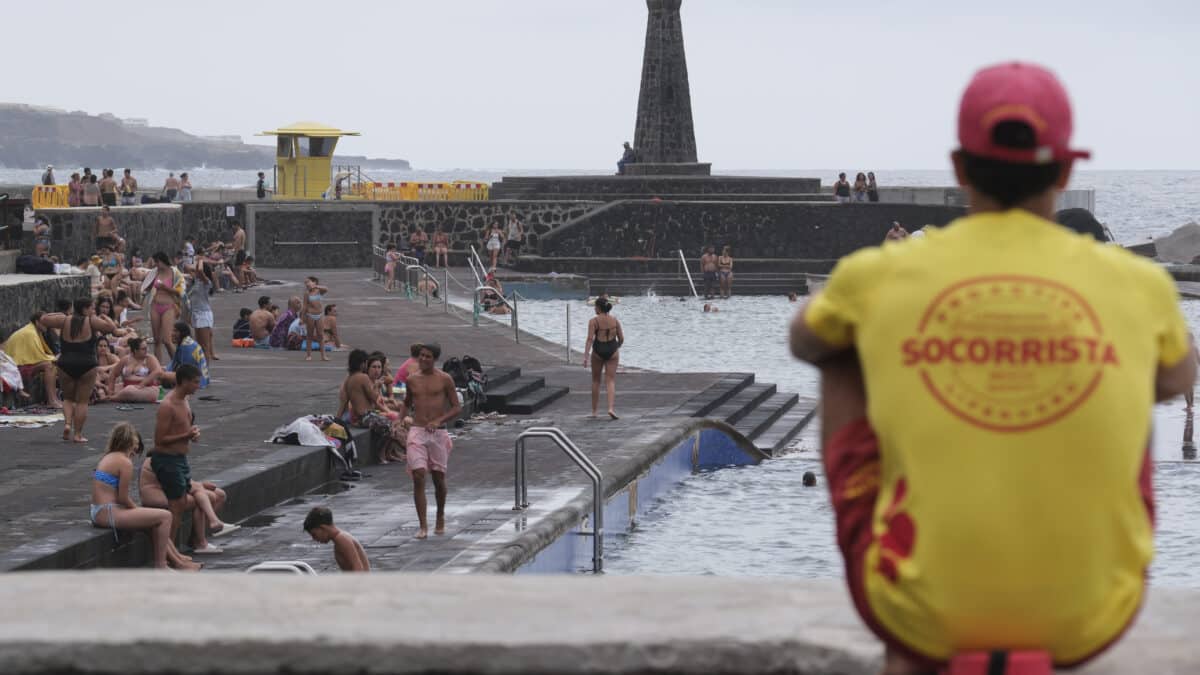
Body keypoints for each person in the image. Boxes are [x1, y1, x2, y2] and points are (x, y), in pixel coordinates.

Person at [788, 61, 1197, 672]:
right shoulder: (1135, 283)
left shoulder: (882, 273)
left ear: (958, 169)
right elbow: (1178, 377)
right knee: (1141, 367)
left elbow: (803, 338)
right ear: (1063, 170)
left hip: (912, 611)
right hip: (1095, 612)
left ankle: (920, 598)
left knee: (841, 348)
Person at [90, 422, 176, 569]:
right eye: (136, 442)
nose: (137, 448)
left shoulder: (109, 456)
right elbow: (123, 498)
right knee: (165, 516)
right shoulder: (124, 462)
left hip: (100, 511)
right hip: (107, 513)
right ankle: (161, 565)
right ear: (128, 441)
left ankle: (178, 560)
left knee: (152, 523)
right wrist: (136, 508)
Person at [399, 343, 461, 539]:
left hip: (438, 433)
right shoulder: (412, 379)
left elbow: (456, 407)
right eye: (422, 356)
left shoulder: (445, 379)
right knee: (418, 475)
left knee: (438, 478)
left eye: (428, 357)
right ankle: (423, 525)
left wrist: (438, 420)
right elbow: (408, 402)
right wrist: (399, 419)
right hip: (417, 430)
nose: (424, 359)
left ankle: (440, 516)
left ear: (435, 359)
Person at [42, 298, 118, 443]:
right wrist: (103, 316)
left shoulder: (64, 320)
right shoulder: (91, 321)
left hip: (66, 363)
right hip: (87, 364)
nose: (93, 311)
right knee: (82, 402)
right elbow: (111, 328)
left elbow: (44, 319)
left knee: (68, 398)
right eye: (91, 308)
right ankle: (77, 434)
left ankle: (67, 424)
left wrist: (61, 314)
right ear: (84, 309)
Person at [151, 363, 204, 561]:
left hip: (180, 459)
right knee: (175, 506)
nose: (198, 386)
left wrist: (192, 434)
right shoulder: (168, 405)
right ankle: (166, 555)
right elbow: (159, 440)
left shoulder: (185, 400)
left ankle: (171, 550)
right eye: (196, 382)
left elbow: (182, 430)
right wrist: (186, 435)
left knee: (180, 504)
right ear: (184, 382)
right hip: (167, 459)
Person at [2, 313, 62, 408]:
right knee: (49, 365)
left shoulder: (34, 330)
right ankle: (52, 400)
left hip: (18, 365)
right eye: (45, 322)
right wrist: (56, 358)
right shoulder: (30, 333)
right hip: (14, 368)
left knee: (52, 364)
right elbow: (38, 356)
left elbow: (39, 355)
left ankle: (54, 399)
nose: (48, 325)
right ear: (37, 322)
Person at [582, 298, 623, 420]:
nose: (594, 309)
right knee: (610, 381)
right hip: (612, 350)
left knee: (596, 381)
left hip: (598, 351)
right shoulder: (615, 320)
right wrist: (616, 347)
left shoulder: (593, 321)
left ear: (599, 308)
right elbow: (621, 338)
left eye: (595, 307)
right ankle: (610, 408)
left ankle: (594, 411)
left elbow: (590, 339)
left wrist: (585, 356)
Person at [303, 507, 370, 572]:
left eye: (314, 534)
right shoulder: (341, 537)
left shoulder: (341, 539)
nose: (314, 538)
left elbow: (358, 570)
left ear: (323, 528)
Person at [145, 252, 184, 363]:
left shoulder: (175, 272)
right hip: (155, 305)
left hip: (168, 306)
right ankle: (158, 367)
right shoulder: (154, 273)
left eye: (157, 262)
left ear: (163, 261)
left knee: (167, 340)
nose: (156, 264)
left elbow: (180, 292)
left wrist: (164, 287)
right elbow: (147, 287)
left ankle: (177, 364)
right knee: (157, 340)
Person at [107, 337, 164, 403]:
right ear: (135, 350)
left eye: (146, 348)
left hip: (147, 388)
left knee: (129, 391)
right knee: (102, 391)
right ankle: (113, 396)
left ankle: (114, 398)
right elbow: (113, 374)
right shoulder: (126, 359)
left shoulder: (150, 358)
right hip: (126, 386)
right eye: (143, 349)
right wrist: (110, 390)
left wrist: (142, 384)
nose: (147, 350)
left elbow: (158, 372)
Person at [161, 322, 210, 389]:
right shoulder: (185, 342)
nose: (172, 333)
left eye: (175, 331)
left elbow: (186, 369)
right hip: (197, 378)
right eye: (173, 330)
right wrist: (164, 369)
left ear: (182, 332)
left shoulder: (187, 347)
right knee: (159, 372)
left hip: (196, 381)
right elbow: (175, 362)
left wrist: (165, 373)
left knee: (160, 376)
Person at [188, 259, 218, 360]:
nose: (195, 270)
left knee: (204, 346)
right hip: (195, 314)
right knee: (199, 345)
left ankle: (205, 371)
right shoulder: (196, 281)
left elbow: (200, 270)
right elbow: (187, 267)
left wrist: (200, 259)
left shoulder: (206, 282)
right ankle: (201, 368)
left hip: (203, 314)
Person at [303, 277, 329, 361]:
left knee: (320, 335)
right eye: (305, 283)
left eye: (308, 282)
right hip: (310, 315)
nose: (306, 284)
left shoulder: (319, 291)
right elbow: (305, 306)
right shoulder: (307, 293)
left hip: (320, 315)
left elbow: (326, 289)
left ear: (313, 282)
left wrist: (316, 287)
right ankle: (309, 355)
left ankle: (323, 356)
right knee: (309, 335)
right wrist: (302, 318)